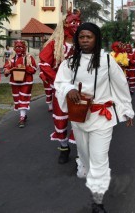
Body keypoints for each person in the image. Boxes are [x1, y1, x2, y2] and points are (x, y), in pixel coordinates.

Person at [54, 22, 134, 213]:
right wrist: (69, 88)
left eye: (89, 36)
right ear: (77, 39)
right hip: (79, 117)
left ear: (96, 38)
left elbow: (120, 85)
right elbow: (59, 82)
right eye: (81, 37)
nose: (85, 40)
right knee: (85, 155)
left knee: (99, 158)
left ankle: (98, 201)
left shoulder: (107, 60)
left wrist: (126, 109)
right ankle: (88, 172)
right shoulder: (69, 62)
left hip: (102, 118)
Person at [39, 9, 81, 164]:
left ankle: (80, 150)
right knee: (61, 120)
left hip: (79, 89)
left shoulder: (82, 44)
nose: (76, 25)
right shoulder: (55, 45)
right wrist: (60, 81)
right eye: (72, 22)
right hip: (61, 89)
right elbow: (44, 64)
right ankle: (64, 147)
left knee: (79, 119)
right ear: (64, 24)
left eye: (78, 23)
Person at [3, 40, 37, 127]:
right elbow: (6, 67)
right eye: (17, 47)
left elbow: (34, 69)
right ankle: (23, 114)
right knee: (17, 99)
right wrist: (6, 70)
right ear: (14, 48)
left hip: (26, 81)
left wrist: (26, 68)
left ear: (24, 48)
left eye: (20, 47)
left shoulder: (29, 58)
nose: (18, 49)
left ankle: (21, 117)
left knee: (23, 98)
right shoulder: (12, 58)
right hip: (15, 81)